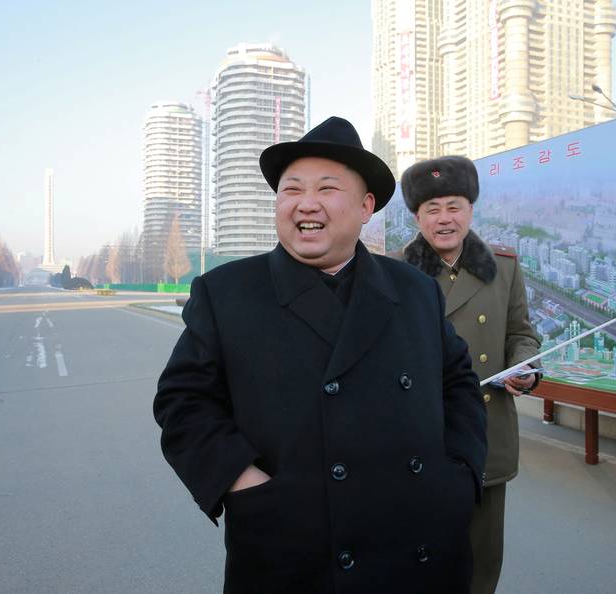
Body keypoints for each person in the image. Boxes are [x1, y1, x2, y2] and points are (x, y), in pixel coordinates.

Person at [154, 117, 487, 594]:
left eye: (327, 188)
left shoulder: (414, 290)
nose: (305, 204)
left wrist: (460, 473)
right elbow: (181, 403)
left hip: (420, 548)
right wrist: (243, 482)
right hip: (291, 555)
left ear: (366, 205)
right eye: (291, 190)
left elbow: (458, 382)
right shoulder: (226, 292)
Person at [399, 156, 542, 594]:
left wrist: (526, 367)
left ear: (470, 209)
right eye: (433, 209)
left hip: (485, 428)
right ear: (418, 217)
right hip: (419, 431)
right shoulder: (395, 274)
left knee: (482, 555)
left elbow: (521, 333)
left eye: (454, 206)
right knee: (419, 549)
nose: (445, 219)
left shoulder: (504, 267)